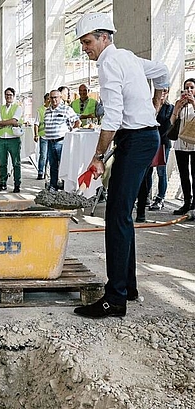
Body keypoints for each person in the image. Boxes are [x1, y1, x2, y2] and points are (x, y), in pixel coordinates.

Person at [72, 13, 169, 318]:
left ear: (104, 37)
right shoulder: (127, 57)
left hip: (137, 139)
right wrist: (156, 102)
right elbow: (163, 71)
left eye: (87, 42)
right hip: (140, 138)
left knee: (116, 215)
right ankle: (128, 285)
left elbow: (112, 118)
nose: (85, 49)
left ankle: (115, 298)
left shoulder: (110, 63)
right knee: (121, 214)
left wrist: (98, 157)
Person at [135, 88, 174, 220]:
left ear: (167, 92)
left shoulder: (170, 108)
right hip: (150, 143)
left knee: (161, 171)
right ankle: (145, 197)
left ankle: (160, 198)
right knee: (148, 172)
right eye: (160, 90)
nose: (162, 93)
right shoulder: (151, 105)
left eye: (165, 91)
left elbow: (167, 125)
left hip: (163, 142)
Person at [43, 89, 80, 191]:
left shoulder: (66, 109)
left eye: (56, 97)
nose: (53, 99)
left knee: (64, 165)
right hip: (50, 142)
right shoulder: (47, 111)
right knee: (53, 165)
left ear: (60, 98)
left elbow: (77, 121)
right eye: (51, 97)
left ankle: (65, 187)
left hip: (62, 142)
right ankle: (53, 185)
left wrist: (73, 132)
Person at [170, 79, 195, 215]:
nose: (189, 90)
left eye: (191, 88)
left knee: (194, 174)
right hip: (180, 144)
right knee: (184, 174)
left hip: (194, 144)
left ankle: (194, 205)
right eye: (187, 88)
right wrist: (177, 108)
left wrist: (193, 103)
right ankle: (186, 202)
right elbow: (172, 122)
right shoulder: (181, 104)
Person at [0, 87, 23, 193]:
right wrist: (9, 122)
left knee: (16, 162)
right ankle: (3, 183)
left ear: (13, 96)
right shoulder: (1, 108)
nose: (8, 97)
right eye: (6, 95)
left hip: (13, 139)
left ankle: (17, 184)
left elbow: (15, 120)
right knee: (2, 163)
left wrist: (3, 122)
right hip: (2, 139)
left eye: (10, 95)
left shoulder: (17, 108)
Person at [33, 93, 50, 181]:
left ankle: (46, 173)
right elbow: (36, 124)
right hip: (43, 136)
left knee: (49, 157)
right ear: (44, 100)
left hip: (52, 137)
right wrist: (36, 135)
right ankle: (40, 172)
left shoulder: (54, 110)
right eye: (47, 99)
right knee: (43, 155)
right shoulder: (40, 110)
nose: (49, 101)